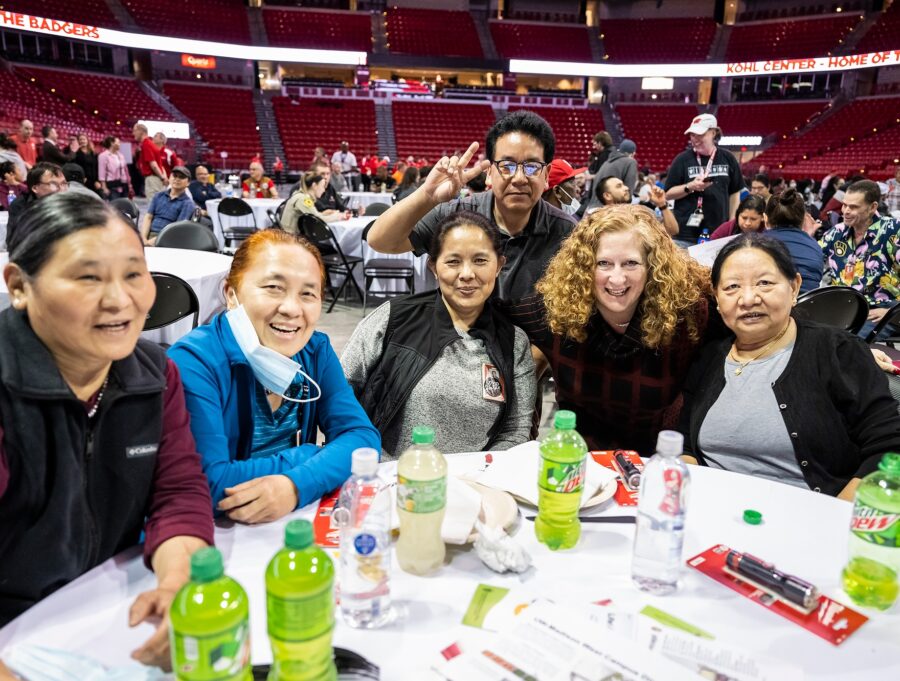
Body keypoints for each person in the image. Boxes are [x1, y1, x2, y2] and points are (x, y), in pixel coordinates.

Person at [0, 193, 213, 668]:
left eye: (134, 274)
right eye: (88, 276)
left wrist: (178, 582)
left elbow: (177, 492)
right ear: (18, 285)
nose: (120, 299)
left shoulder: (154, 375)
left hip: (100, 612)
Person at [167, 229, 380, 522]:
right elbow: (210, 482)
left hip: (289, 522)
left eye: (308, 293)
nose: (292, 309)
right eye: (273, 287)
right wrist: (310, 455)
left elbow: (362, 437)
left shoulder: (315, 351)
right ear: (232, 294)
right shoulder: (194, 362)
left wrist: (295, 486)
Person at [678, 234, 900, 499]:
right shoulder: (709, 357)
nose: (748, 299)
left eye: (765, 283)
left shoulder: (836, 350)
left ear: (794, 287)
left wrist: (837, 517)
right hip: (715, 517)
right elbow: (686, 444)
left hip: (813, 523)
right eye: (732, 287)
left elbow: (889, 448)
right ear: (716, 297)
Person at [503, 204, 718, 455]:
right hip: (582, 465)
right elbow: (487, 311)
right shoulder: (556, 311)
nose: (617, 279)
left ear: (653, 266)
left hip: (658, 463)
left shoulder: (690, 314)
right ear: (584, 267)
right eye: (603, 263)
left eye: (630, 263)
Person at [341, 211, 535, 458]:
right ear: (433, 266)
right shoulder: (394, 318)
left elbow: (515, 431)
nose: (466, 274)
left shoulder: (513, 341)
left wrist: (477, 477)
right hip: (388, 477)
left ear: (499, 265)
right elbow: (342, 395)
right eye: (453, 261)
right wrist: (383, 463)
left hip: (473, 485)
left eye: (480, 261)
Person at [367, 109, 576, 302]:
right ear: (490, 172)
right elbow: (381, 242)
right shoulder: (456, 215)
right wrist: (427, 195)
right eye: (507, 166)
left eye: (531, 167)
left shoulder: (566, 233)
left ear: (546, 175)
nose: (519, 178)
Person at [820, 179, 900, 334]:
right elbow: (813, 256)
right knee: (810, 334)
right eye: (844, 205)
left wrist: (892, 313)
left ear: (872, 207)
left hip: (881, 309)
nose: (845, 211)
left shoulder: (893, 231)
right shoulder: (837, 232)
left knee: (845, 341)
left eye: (853, 207)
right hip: (843, 308)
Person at [665, 113, 745, 247]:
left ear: (713, 132)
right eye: (692, 135)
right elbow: (668, 193)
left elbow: (734, 194)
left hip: (719, 233)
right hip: (685, 234)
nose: (695, 139)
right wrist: (689, 186)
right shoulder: (682, 159)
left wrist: (732, 223)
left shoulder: (728, 158)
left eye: (700, 134)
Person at [764, 188, 823, 294]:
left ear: (765, 219)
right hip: (811, 309)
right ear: (804, 220)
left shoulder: (755, 245)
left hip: (771, 308)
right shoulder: (816, 247)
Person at [591, 175, 679, 236]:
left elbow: (673, 231)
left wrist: (662, 204)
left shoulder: (643, 212)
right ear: (607, 196)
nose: (626, 188)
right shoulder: (598, 222)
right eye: (619, 186)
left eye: (624, 185)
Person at [5, 162, 66, 245]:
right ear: (35, 188)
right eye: (53, 184)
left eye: (63, 183)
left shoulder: (70, 202)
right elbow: (13, 241)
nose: (61, 190)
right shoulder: (20, 206)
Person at [280, 170, 350, 233]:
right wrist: (338, 216)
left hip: (288, 235)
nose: (324, 190)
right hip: (291, 240)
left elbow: (314, 216)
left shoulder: (300, 195)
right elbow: (318, 220)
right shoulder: (304, 199)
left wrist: (323, 214)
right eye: (322, 186)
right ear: (314, 186)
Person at [141, 166, 195, 244]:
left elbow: (177, 229)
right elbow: (148, 217)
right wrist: (143, 238)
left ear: (188, 183)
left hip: (168, 238)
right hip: (148, 233)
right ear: (169, 178)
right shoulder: (158, 195)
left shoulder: (187, 203)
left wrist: (150, 242)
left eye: (181, 177)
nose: (177, 179)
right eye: (174, 176)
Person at [133, 123, 167, 201]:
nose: (133, 133)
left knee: (153, 206)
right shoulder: (150, 144)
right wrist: (163, 177)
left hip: (153, 179)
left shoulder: (146, 144)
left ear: (141, 131)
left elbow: (153, 164)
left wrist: (162, 177)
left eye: (135, 131)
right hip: (156, 178)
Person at [97, 136, 131, 200]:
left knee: (124, 207)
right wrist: (104, 188)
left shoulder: (121, 155)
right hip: (112, 187)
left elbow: (126, 170)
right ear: (112, 143)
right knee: (115, 207)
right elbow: (101, 173)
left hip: (124, 185)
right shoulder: (103, 156)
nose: (120, 144)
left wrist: (129, 184)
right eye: (118, 142)